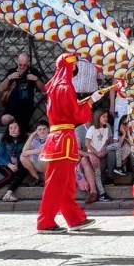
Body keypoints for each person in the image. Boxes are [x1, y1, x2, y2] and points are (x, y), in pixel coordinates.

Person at [35, 52, 106, 234]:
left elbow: (68, 109)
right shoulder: (65, 86)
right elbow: (75, 114)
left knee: (65, 183)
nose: (76, 68)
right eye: (75, 64)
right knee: (57, 184)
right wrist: (91, 101)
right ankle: (45, 222)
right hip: (63, 139)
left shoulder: (55, 86)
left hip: (60, 138)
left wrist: (88, 99)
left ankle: (75, 218)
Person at [0, 52, 44, 131]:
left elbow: (44, 89)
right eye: (20, 65)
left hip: (26, 107)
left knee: (23, 128)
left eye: (24, 65)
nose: (22, 67)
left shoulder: (33, 72)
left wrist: (36, 79)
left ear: (28, 62)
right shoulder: (12, 71)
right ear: (17, 61)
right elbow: (1, 89)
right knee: (5, 119)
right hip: (11, 107)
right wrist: (9, 78)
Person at [82, 111, 114, 200]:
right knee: (84, 159)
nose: (88, 119)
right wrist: (91, 154)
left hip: (102, 156)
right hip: (89, 160)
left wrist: (103, 150)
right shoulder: (81, 130)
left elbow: (108, 142)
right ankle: (94, 191)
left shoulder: (106, 127)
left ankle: (114, 172)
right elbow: (78, 149)